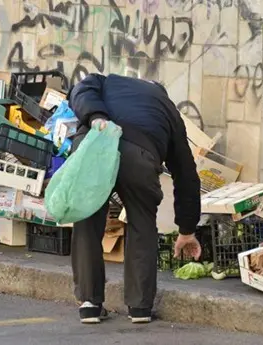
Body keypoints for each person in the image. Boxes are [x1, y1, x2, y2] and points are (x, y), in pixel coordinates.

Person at [66, 73, 202, 324]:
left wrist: (97, 117)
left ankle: (89, 303)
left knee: (88, 218)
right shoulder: (168, 110)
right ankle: (139, 308)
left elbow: (79, 90)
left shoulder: (105, 81)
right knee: (142, 224)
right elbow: (186, 175)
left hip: (95, 146)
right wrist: (187, 229)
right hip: (140, 157)